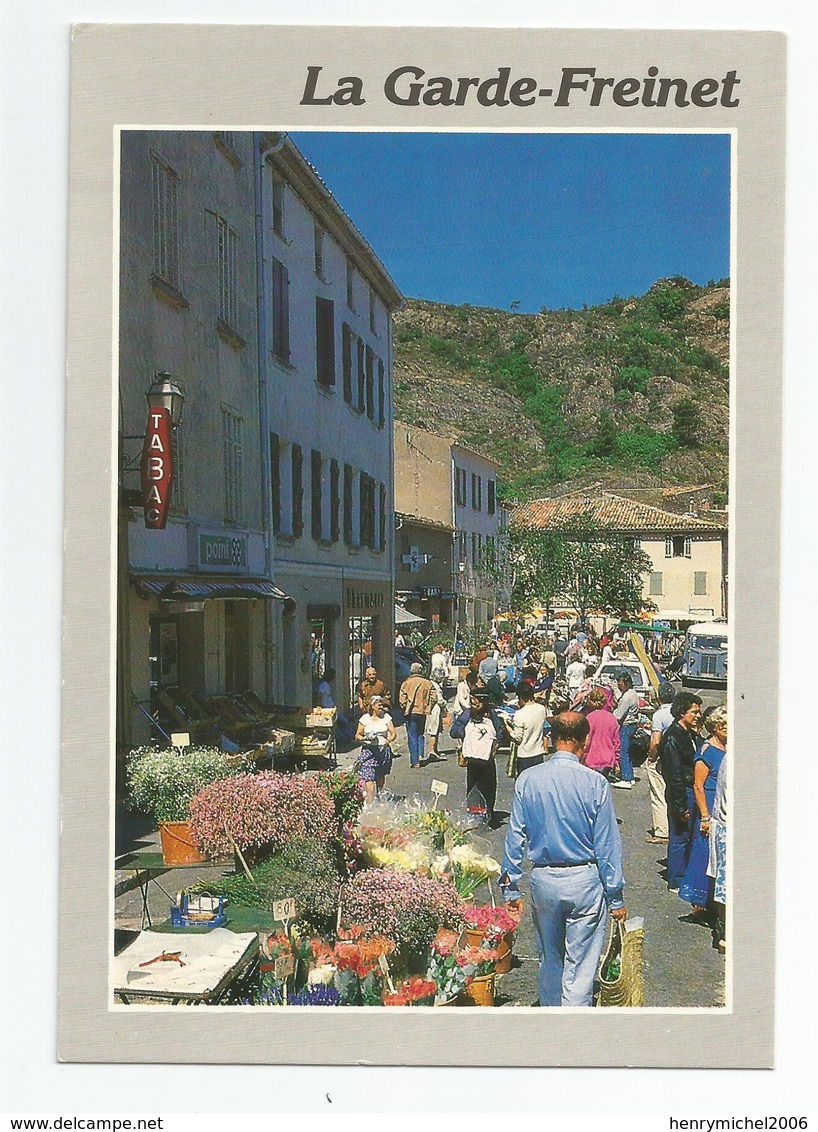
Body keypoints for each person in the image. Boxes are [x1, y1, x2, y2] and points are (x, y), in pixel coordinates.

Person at [500, 711, 627, 1007]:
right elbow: (607, 844)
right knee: (581, 966)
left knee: (550, 957)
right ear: (586, 741)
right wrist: (616, 896)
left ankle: (550, 1013)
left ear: (550, 739)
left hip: (544, 878)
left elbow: (515, 835)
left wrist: (510, 885)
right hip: (584, 878)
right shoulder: (595, 784)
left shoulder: (528, 779)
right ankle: (574, 1023)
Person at [679, 705, 727, 921]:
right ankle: (700, 904)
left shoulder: (729, 748)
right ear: (714, 728)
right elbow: (698, 786)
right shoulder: (707, 751)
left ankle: (714, 902)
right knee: (705, 855)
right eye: (723, 727)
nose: (728, 730)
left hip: (722, 804)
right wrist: (705, 817)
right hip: (708, 805)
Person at [659, 691, 703, 892]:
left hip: (690, 789)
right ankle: (676, 879)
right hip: (682, 792)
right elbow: (674, 775)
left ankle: (684, 874)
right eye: (694, 712)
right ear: (681, 713)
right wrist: (680, 805)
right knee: (679, 836)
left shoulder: (691, 734)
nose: (697, 716)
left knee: (689, 835)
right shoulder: (672, 738)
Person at [450, 691, 504, 822]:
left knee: (473, 786)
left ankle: (474, 815)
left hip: (472, 759)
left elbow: (454, 731)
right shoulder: (494, 716)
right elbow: (500, 733)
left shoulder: (467, 715)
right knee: (489, 787)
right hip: (487, 759)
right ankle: (488, 814)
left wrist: (469, 739)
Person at [645, 684, 675, 844]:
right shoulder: (679, 713)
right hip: (676, 758)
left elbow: (656, 741)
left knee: (658, 794)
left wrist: (651, 758)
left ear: (659, 697)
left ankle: (661, 831)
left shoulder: (659, 715)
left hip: (661, 758)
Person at [355, 695, 397, 803]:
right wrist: (364, 739)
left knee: (380, 776)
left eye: (382, 705)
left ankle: (379, 795)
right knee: (368, 777)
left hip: (382, 751)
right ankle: (370, 802)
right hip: (369, 751)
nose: (382, 707)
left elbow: (393, 733)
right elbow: (358, 735)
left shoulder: (386, 717)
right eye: (379, 705)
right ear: (372, 706)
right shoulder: (365, 719)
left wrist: (388, 741)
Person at [707, 749, 728, 953]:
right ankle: (724, 932)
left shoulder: (728, 758)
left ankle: (724, 932)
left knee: (725, 881)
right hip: (729, 828)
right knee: (728, 881)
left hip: (724, 826)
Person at [503, 680, 549, 774]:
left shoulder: (520, 714)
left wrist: (507, 726)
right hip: (538, 752)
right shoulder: (541, 709)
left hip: (524, 755)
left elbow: (518, 738)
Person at [399, 663, 436, 769]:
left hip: (411, 712)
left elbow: (402, 699)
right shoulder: (427, 683)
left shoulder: (406, 683)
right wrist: (428, 707)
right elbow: (434, 697)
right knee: (420, 733)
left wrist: (405, 706)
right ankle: (420, 754)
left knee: (412, 735)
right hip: (422, 711)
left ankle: (415, 761)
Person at [582, 687, 620, 779]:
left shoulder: (590, 718)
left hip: (592, 759)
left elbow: (587, 741)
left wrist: (582, 757)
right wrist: (616, 760)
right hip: (608, 759)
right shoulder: (612, 718)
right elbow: (616, 742)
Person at [612, 670, 640, 789]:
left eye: (620, 682)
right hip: (632, 724)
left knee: (623, 752)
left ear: (626, 682)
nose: (619, 684)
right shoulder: (632, 693)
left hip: (627, 725)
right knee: (627, 751)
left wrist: (612, 712)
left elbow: (618, 715)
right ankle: (630, 776)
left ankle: (626, 778)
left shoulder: (627, 697)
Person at [425, 674, 448, 760]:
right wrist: (445, 704)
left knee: (437, 730)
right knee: (434, 730)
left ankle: (435, 749)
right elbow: (440, 700)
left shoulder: (430, 684)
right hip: (435, 710)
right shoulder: (435, 686)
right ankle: (432, 751)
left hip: (432, 710)